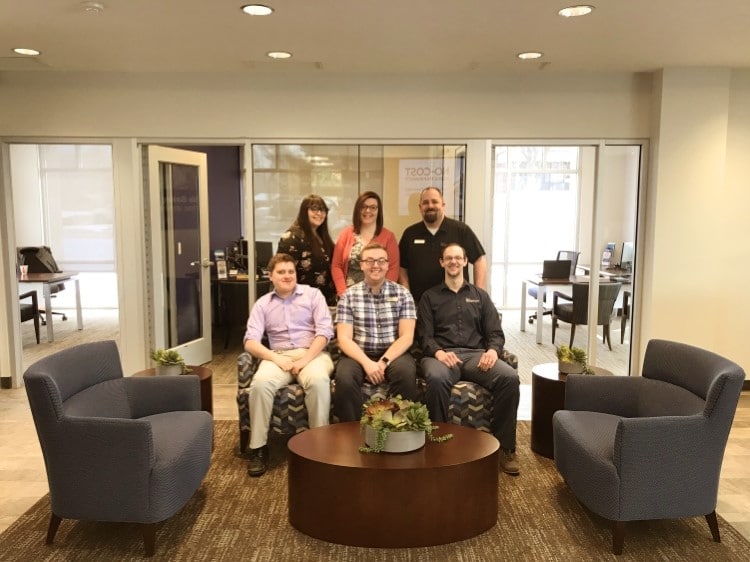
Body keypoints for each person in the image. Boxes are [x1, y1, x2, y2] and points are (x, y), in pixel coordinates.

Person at [418, 243, 520, 475]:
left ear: (465, 262)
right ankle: (437, 445)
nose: (453, 262)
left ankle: (505, 447)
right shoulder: (429, 297)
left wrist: (493, 351)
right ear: (441, 263)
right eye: (448, 258)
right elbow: (424, 336)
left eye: (458, 258)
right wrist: (439, 352)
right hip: (441, 356)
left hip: (476, 357)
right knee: (435, 379)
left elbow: (495, 333)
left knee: (510, 378)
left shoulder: (480, 297)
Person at [243, 253, 334, 477]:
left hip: (311, 353)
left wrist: (304, 361)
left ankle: (319, 447)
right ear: (271, 276)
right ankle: (258, 448)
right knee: (260, 384)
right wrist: (276, 359)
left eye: (290, 271)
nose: (287, 276)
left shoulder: (313, 295)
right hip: (278, 356)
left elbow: (324, 333)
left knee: (319, 381)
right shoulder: (263, 304)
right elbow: (250, 341)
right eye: (281, 272)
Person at [333, 242, 418, 421]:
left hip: (394, 354)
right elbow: (344, 339)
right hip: (358, 354)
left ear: (388, 265)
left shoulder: (403, 294)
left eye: (381, 261)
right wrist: (367, 363)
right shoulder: (348, 296)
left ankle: (399, 430)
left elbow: (407, 337)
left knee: (406, 375)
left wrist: (383, 362)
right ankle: (351, 434)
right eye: (370, 261)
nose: (375, 265)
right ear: (361, 264)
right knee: (345, 379)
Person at [398, 186, 487, 305]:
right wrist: (407, 297)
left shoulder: (461, 230)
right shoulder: (410, 234)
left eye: (435, 202)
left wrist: (479, 296)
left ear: (443, 205)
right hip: (420, 305)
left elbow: (479, 260)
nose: (430, 206)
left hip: (456, 303)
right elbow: (402, 268)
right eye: (425, 202)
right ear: (420, 208)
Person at [331, 191, 400, 297]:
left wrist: (384, 294)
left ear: (379, 211)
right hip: (350, 295)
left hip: (379, 296)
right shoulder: (346, 234)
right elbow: (336, 266)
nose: (368, 210)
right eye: (363, 206)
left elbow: (393, 268)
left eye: (373, 207)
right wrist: (343, 293)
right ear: (358, 209)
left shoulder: (389, 237)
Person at [277, 194, 336, 306]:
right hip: (300, 303)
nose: (319, 213)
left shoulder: (322, 237)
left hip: (325, 302)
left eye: (323, 210)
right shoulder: (292, 237)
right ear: (304, 211)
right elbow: (283, 273)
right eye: (314, 209)